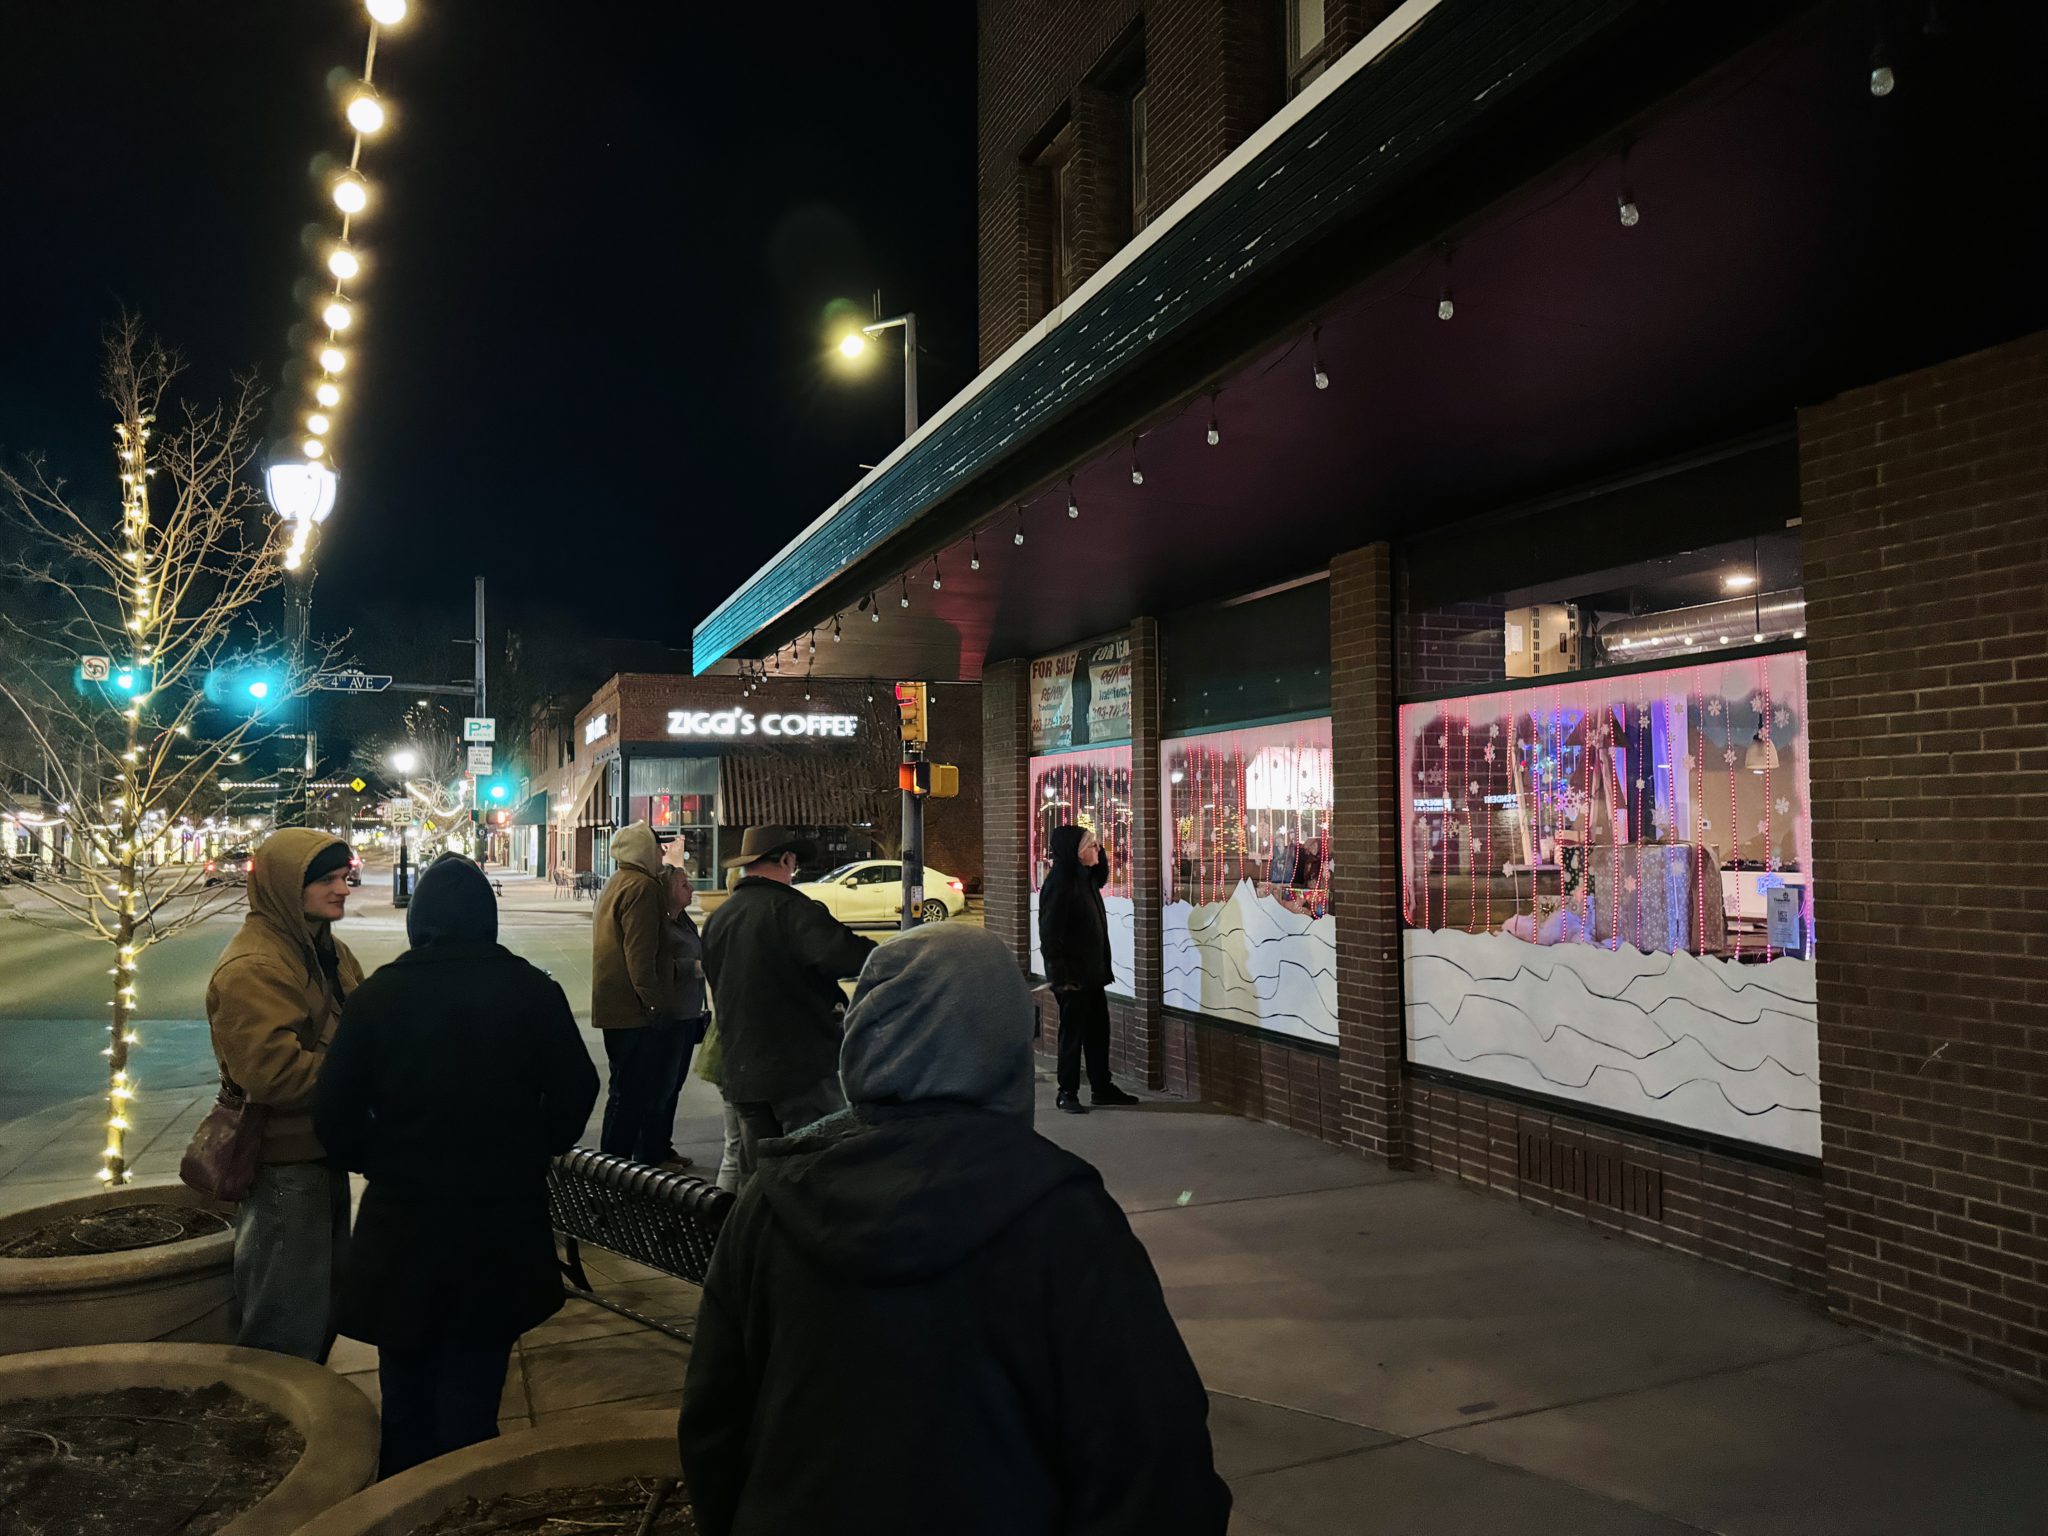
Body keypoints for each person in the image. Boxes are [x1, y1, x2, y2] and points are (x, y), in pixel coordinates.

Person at [677, 925, 1231, 1534]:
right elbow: (1154, 1459)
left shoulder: (772, 1199)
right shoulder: (1061, 1217)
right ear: (1000, 1045)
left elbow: (715, 1427)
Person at [316, 855, 598, 1479]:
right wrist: (532, 1147)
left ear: (419, 920)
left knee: (406, 1389)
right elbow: (578, 1090)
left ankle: (406, 1500)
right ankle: (469, 1500)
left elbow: (332, 1116)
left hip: (404, 1222)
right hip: (498, 1218)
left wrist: (380, 1158)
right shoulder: (532, 990)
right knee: (476, 1384)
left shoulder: (377, 998)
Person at [204, 828, 363, 1362]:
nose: (342, 888)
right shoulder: (257, 965)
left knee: (322, 1299)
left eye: (345, 877)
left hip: (320, 1150)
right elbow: (272, 1074)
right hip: (283, 1162)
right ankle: (272, 1424)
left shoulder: (325, 950)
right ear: (284, 886)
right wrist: (366, 1074)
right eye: (326, 880)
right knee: (284, 1315)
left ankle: (304, 1404)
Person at [699, 825, 873, 1178]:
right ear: (787, 859)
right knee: (816, 1172)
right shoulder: (792, 911)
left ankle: (759, 1233)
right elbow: (849, 957)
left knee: (761, 1176)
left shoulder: (719, 919)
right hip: (798, 1071)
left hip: (742, 1072)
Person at [591, 821, 690, 1166]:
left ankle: (611, 1168)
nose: (661, 853)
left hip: (614, 1008)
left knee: (622, 1094)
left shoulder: (617, 882)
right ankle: (616, 1172)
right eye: (655, 846)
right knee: (632, 1096)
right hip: (634, 1012)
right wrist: (654, 1006)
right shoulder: (643, 887)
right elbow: (641, 956)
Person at [1037, 824, 1140, 1114]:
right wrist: (1060, 977)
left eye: (1097, 844)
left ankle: (1101, 1087)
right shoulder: (1061, 882)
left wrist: (1100, 852)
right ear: (1075, 852)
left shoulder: (1085, 879)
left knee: (1097, 1031)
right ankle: (1066, 1092)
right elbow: (1050, 934)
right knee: (1073, 1035)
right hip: (1073, 978)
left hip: (1092, 974)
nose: (1097, 848)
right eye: (1091, 845)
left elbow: (1102, 874)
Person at [647, 860, 711, 1165]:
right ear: (668, 890)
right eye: (684, 884)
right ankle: (652, 1150)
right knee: (662, 1087)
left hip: (688, 1013)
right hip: (669, 1016)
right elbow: (655, 966)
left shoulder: (686, 922)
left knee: (673, 1086)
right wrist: (694, 967)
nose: (691, 888)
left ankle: (663, 1145)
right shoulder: (661, 925)